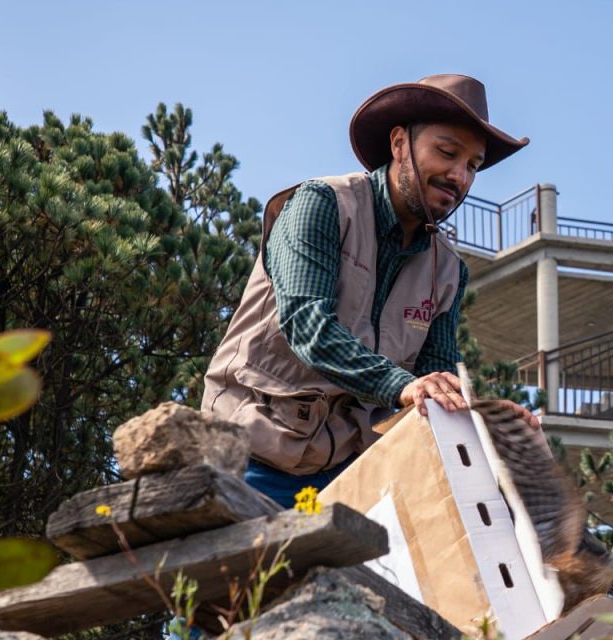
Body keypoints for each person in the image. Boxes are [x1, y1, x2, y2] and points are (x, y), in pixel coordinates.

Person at [202, 74, 537, 509]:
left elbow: (434, 380)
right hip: (250, 450)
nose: (459, 176)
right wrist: (404, 385)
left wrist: (484, 416)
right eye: (447, 152)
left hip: (350, 473)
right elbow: (308, 327)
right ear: (399, 143)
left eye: (473, 166)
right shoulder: (322, 204)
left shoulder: (449, 271)